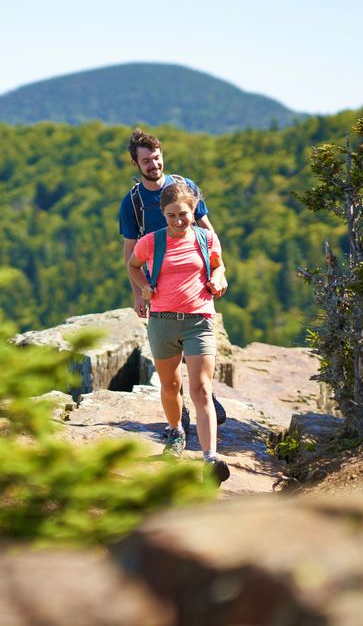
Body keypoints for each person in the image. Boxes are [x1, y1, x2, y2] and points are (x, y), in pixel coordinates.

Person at [118, 128, 226, 431]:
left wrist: (219, 270)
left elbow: (207, 230)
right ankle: (180, 418)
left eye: (156, 157)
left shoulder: (185, 187)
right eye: (146, 161)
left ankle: (204, 397)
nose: (154, 165)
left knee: (198, 349)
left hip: (194, 284)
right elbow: (131, 256)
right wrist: (138, 294)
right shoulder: (133, 203)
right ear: (135, 165)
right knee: (169, 363)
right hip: (159, 290)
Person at [126, 181, 231, 482]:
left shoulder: (206, 238)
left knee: (201, 389)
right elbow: (133, 265)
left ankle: (210, 459)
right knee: (171, 386)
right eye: (171, 215)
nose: (178, 221)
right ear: (163, 214)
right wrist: (142, 288)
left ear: (194, 209)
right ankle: (176, 432)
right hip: (162, 320)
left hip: (199, 319)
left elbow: (218, 266)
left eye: (183, 214)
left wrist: (220, 279)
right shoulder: (150, 242)